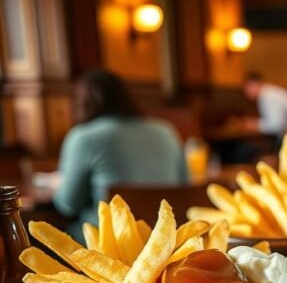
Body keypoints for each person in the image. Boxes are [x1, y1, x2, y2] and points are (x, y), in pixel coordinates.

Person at [54, 70, 187, 241]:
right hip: (164, 238)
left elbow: (68, 204)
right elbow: (185, 181)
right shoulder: (166, 130)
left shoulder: (83, 137)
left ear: (82, 102)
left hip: (110, 243)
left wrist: (58, 185)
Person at [242, 72, 287, 138]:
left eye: (246, 88)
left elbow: (276, 126)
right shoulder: (268, 92)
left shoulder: (268, 96)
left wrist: (255, 125)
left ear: (254, 84)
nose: (245, 92)